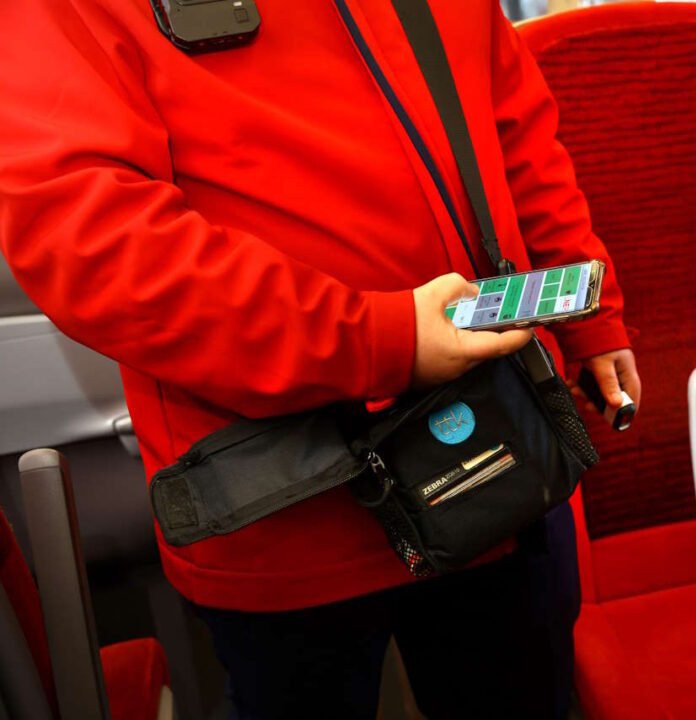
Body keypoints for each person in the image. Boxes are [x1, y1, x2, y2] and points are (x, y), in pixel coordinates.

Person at [0, 0, 640, 717]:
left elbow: (512, 132)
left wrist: (591, 313)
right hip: (279, 500)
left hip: (498, 457)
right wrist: (374, 338)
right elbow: (95, 244)